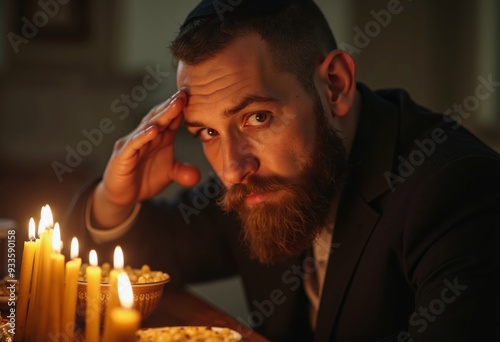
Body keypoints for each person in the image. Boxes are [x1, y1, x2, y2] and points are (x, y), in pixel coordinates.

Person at [64, 0, 500, 340]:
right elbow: (146, 261)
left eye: (257, 118)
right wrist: (114, 198)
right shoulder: (255, 180)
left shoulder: (458, 190)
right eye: (207, 132)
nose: (232, 167)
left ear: (335, 85)